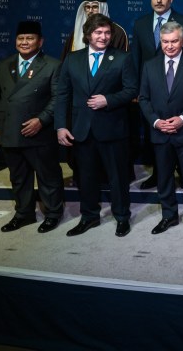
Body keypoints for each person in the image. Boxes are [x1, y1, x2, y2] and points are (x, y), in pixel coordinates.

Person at [53, 14, 139, 237]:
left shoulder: (122, 58)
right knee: (86, 177)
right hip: (82, 130)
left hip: (113, 129)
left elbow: (132, 90)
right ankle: (89, 217)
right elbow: (62, 95)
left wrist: (108, 100)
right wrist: (61, 126)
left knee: (118, 178)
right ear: (88, 35)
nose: (103, 37)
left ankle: (122, 217)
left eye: (107, 33)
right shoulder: (72, 59)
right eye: (98, 32)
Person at [0, 20, 64, 233]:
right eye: (21, 38)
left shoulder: (52, 65)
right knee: (19, 178)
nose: (24, 42)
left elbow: (58, 99)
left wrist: (41, 120)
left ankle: (53, 214)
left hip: (39, 132)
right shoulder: (5, 64)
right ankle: (24, 214)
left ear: (40, 42)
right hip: (10, 131)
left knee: (48, 177)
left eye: (30, 38)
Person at [139, 21, 183, 236]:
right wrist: (156, 122)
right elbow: (143, 98)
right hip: (160, 132)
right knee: (164, 178)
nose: (169, 46)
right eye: (165, 41)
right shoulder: (149, 65)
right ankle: (168, 216)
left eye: (174, 41)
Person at [130, 0, 183, 189]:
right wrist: (137, 90)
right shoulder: (140, 23)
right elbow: (136, 59)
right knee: (156, 136)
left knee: (181, 136)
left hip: (179, 91)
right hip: (151, 92)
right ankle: (159, 174)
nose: (159, 0)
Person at [63, 0, 128, 57]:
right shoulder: (77, 32)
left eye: (95, 7)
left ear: (103, 8)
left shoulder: (118, 32)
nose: (90, 11)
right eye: (88, 7)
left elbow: (122, 59)